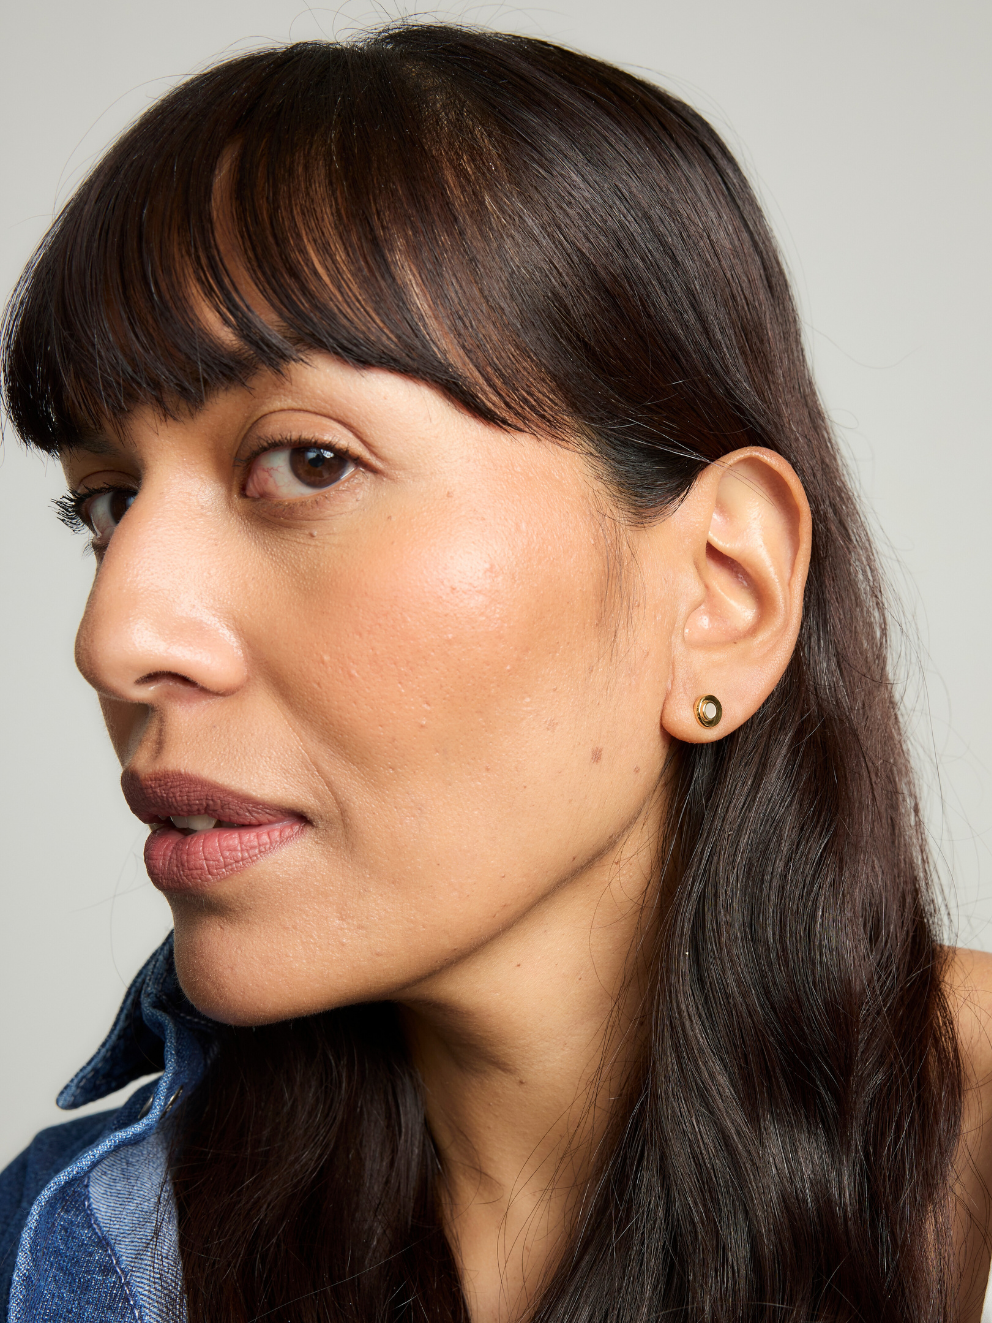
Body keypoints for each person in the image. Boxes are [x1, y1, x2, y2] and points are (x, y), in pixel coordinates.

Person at [1, 22, 990, 1323]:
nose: (115, 638)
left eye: (308, 462)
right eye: (107, 502)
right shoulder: (73, 1261)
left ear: (718, 594)